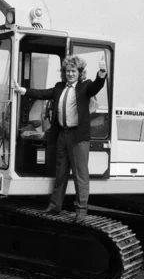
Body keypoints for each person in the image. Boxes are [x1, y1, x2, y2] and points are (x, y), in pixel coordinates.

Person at [12, 55, 107, 223]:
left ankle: (81, 210)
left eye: (73, 71)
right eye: (68, 71)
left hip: (78, 137)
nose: (70, 74)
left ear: (79, 72)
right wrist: (23, 91)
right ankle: (55, 206)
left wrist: (101, 73)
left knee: (80, 175)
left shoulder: (85, 86)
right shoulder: (59, 87)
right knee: (60, 173)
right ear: (64, 73)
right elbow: (42, 93)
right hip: (62, 135)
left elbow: (96, 86)